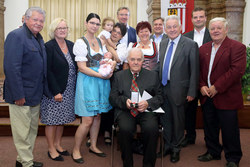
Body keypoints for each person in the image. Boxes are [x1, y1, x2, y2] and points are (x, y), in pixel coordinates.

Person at [198, 17, 246, 167]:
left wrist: (216, 87)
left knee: (229, 129)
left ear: (226, 30)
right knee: (209, 126)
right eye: (212, 28)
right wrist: (201, 86)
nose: (215, 31)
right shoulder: (203, 48)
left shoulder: (237, 47)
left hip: (226, 95)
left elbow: (236, 71)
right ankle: (213, 151)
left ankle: (233, 158)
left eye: (219, 28)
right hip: (207, 95)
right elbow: (199, 71)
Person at [3, 7, 47, 167]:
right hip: (20, 96)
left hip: (34, 94)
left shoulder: (38, 38)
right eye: (35, 19)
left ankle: (22, 160)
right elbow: (11, 68)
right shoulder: (16, 36)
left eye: (41, 21)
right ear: (25, 19)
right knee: (22, 133)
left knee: (30, 131)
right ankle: (27, 164)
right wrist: (18, 95)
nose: (38, 23)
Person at [109, 47, 163, 167]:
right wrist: (125, 102)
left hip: (146, 111)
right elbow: (112, 98)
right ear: (128, 60)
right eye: (132, 59)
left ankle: (148, 164)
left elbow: (160, 97)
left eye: (139, 59)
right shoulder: (119, 76)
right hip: (126, 111)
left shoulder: (153, 76)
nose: (135, 62)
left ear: (143, 61)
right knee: (125, 129)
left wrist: (148, 103)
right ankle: (127, 163)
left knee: (151, 129)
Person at [156, 15, 199, 162]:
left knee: (178, 121)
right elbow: (161, 65)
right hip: (163, 88)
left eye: (175, 26)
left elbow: (194, 70)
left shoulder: (190, 44)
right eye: (169, 27)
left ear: (180, 27)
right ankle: (167, 145)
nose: (172, 29)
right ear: (165, 29)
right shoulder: (163, 42)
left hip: (180, 90)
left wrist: (192, 91)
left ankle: (176, 148)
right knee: (166, 119)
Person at [71, 13, 113, 164]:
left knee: (97, 116)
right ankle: (76, 149)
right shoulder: (80, 43)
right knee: (87, 120)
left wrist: (109, 65)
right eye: (92, 23)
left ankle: (93, 145)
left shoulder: (100, 41)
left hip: (100, 83)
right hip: (88, 82)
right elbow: (81, 68)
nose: (94, 26)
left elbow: (102, 61)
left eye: (97, 23)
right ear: (86, 23)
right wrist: (101, 75)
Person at [40, 18, 77, 161]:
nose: (62, 30)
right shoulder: (48, 46)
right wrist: (56, 91)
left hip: (69, 89)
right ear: (53, 30)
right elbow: (47, 71)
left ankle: (58, 144)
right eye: (59, 28)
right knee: (52, 120)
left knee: (62, 119)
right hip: (55, 90)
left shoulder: (71, 45)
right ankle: (51, 148)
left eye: (64, 27)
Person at [181, 7, 212, 147]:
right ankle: (190, 136)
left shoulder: (213, 35)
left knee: (209, 112)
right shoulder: (185, 36)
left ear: (206, 18)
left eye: (201, 17)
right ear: (192, 19)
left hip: (208, 81)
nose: (198, 19)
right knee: (189, 111)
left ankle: (210, 140)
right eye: (195, 17)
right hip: (190, 81)